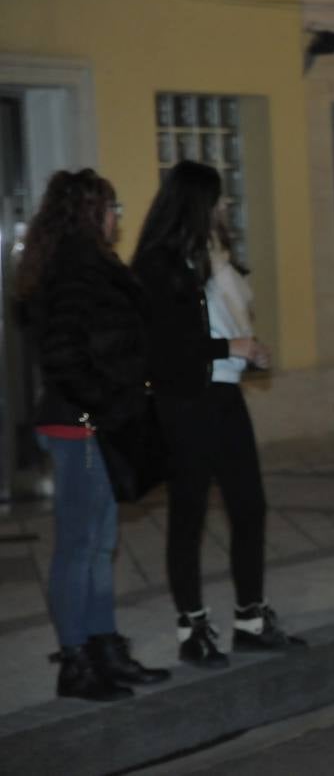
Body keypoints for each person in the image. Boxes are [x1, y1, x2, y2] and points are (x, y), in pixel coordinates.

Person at [133, 160, 304, 667]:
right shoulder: (158, 264)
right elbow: (162, 348)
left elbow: (225, 323)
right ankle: (193, 627)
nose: (227, 206)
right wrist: (231, 344)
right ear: (197, 204)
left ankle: (251, 617)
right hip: (185, 401)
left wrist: (249, 349)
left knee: (249, 506)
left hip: (224, 396)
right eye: (219, 199)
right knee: (187, 516)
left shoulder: (213, 257)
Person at [17, 169, 170, 701]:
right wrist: (105, 403)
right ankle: (76, 662)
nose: (117, 218)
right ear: (91, 212)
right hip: (80, 423)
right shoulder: (74, 270)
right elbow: (64, 354)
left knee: (101, 543)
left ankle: (103, 645)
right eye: (113, 208)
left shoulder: (84, 264)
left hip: (95, 420)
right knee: (79, 545)